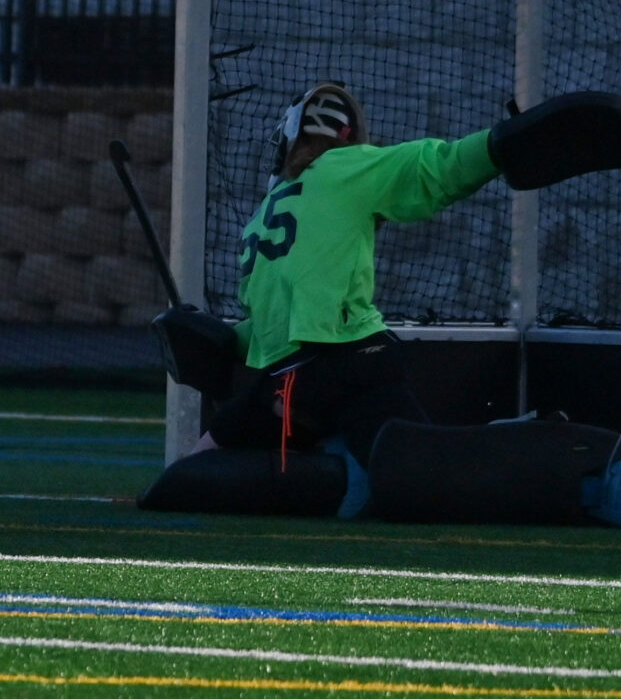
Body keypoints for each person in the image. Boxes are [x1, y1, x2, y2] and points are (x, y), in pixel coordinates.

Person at [200, 84, 492, 466]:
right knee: (419, 470)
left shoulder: (268, 209)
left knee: (197, 462)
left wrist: (215, 336)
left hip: (313, 369)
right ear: (346, 134)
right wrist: (501, 145)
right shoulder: (340, 172)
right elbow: (442, 165)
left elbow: (272, 319)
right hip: (346, 363)